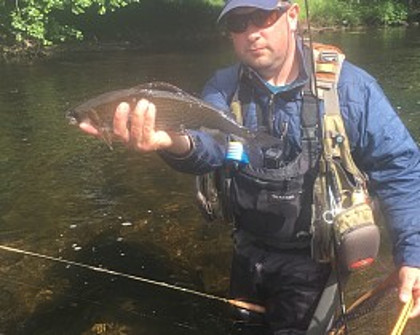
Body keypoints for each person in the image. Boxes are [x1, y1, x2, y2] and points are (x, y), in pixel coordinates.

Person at [80, 0, 420, 333]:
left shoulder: (351, 88)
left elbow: (400, 169)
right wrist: (169, 141)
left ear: (291, 15)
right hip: (247, 252)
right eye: (238, 23)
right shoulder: (222, 87)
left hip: (316, 261)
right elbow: (210, 146)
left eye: (262, 16)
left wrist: (413, 256)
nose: (251, 32)